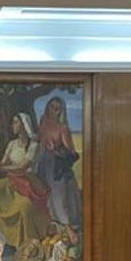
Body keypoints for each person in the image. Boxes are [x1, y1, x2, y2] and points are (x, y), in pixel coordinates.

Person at [0, 113, 51, 253]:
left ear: (24, 125)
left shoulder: (34, 145)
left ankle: (21, 243)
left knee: (25, 208)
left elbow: (22, 167)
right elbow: (3, 163)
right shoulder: (12, 144)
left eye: (16, 122)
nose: (13, 125)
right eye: (13, 122)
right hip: (11, 182)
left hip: (29, 183)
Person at [36, 95, 82, 228]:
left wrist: (55, 149)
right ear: (47, 107)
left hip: (56, 165)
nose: (53, 111)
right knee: (43, 191)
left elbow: (71, 153)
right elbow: (40, 137)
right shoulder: (43, 121)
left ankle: (66, 228)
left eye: (57, 109)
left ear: (61, 112)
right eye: (52, 107)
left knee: (58, 196)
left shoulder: (63, 128)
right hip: (43, 161)